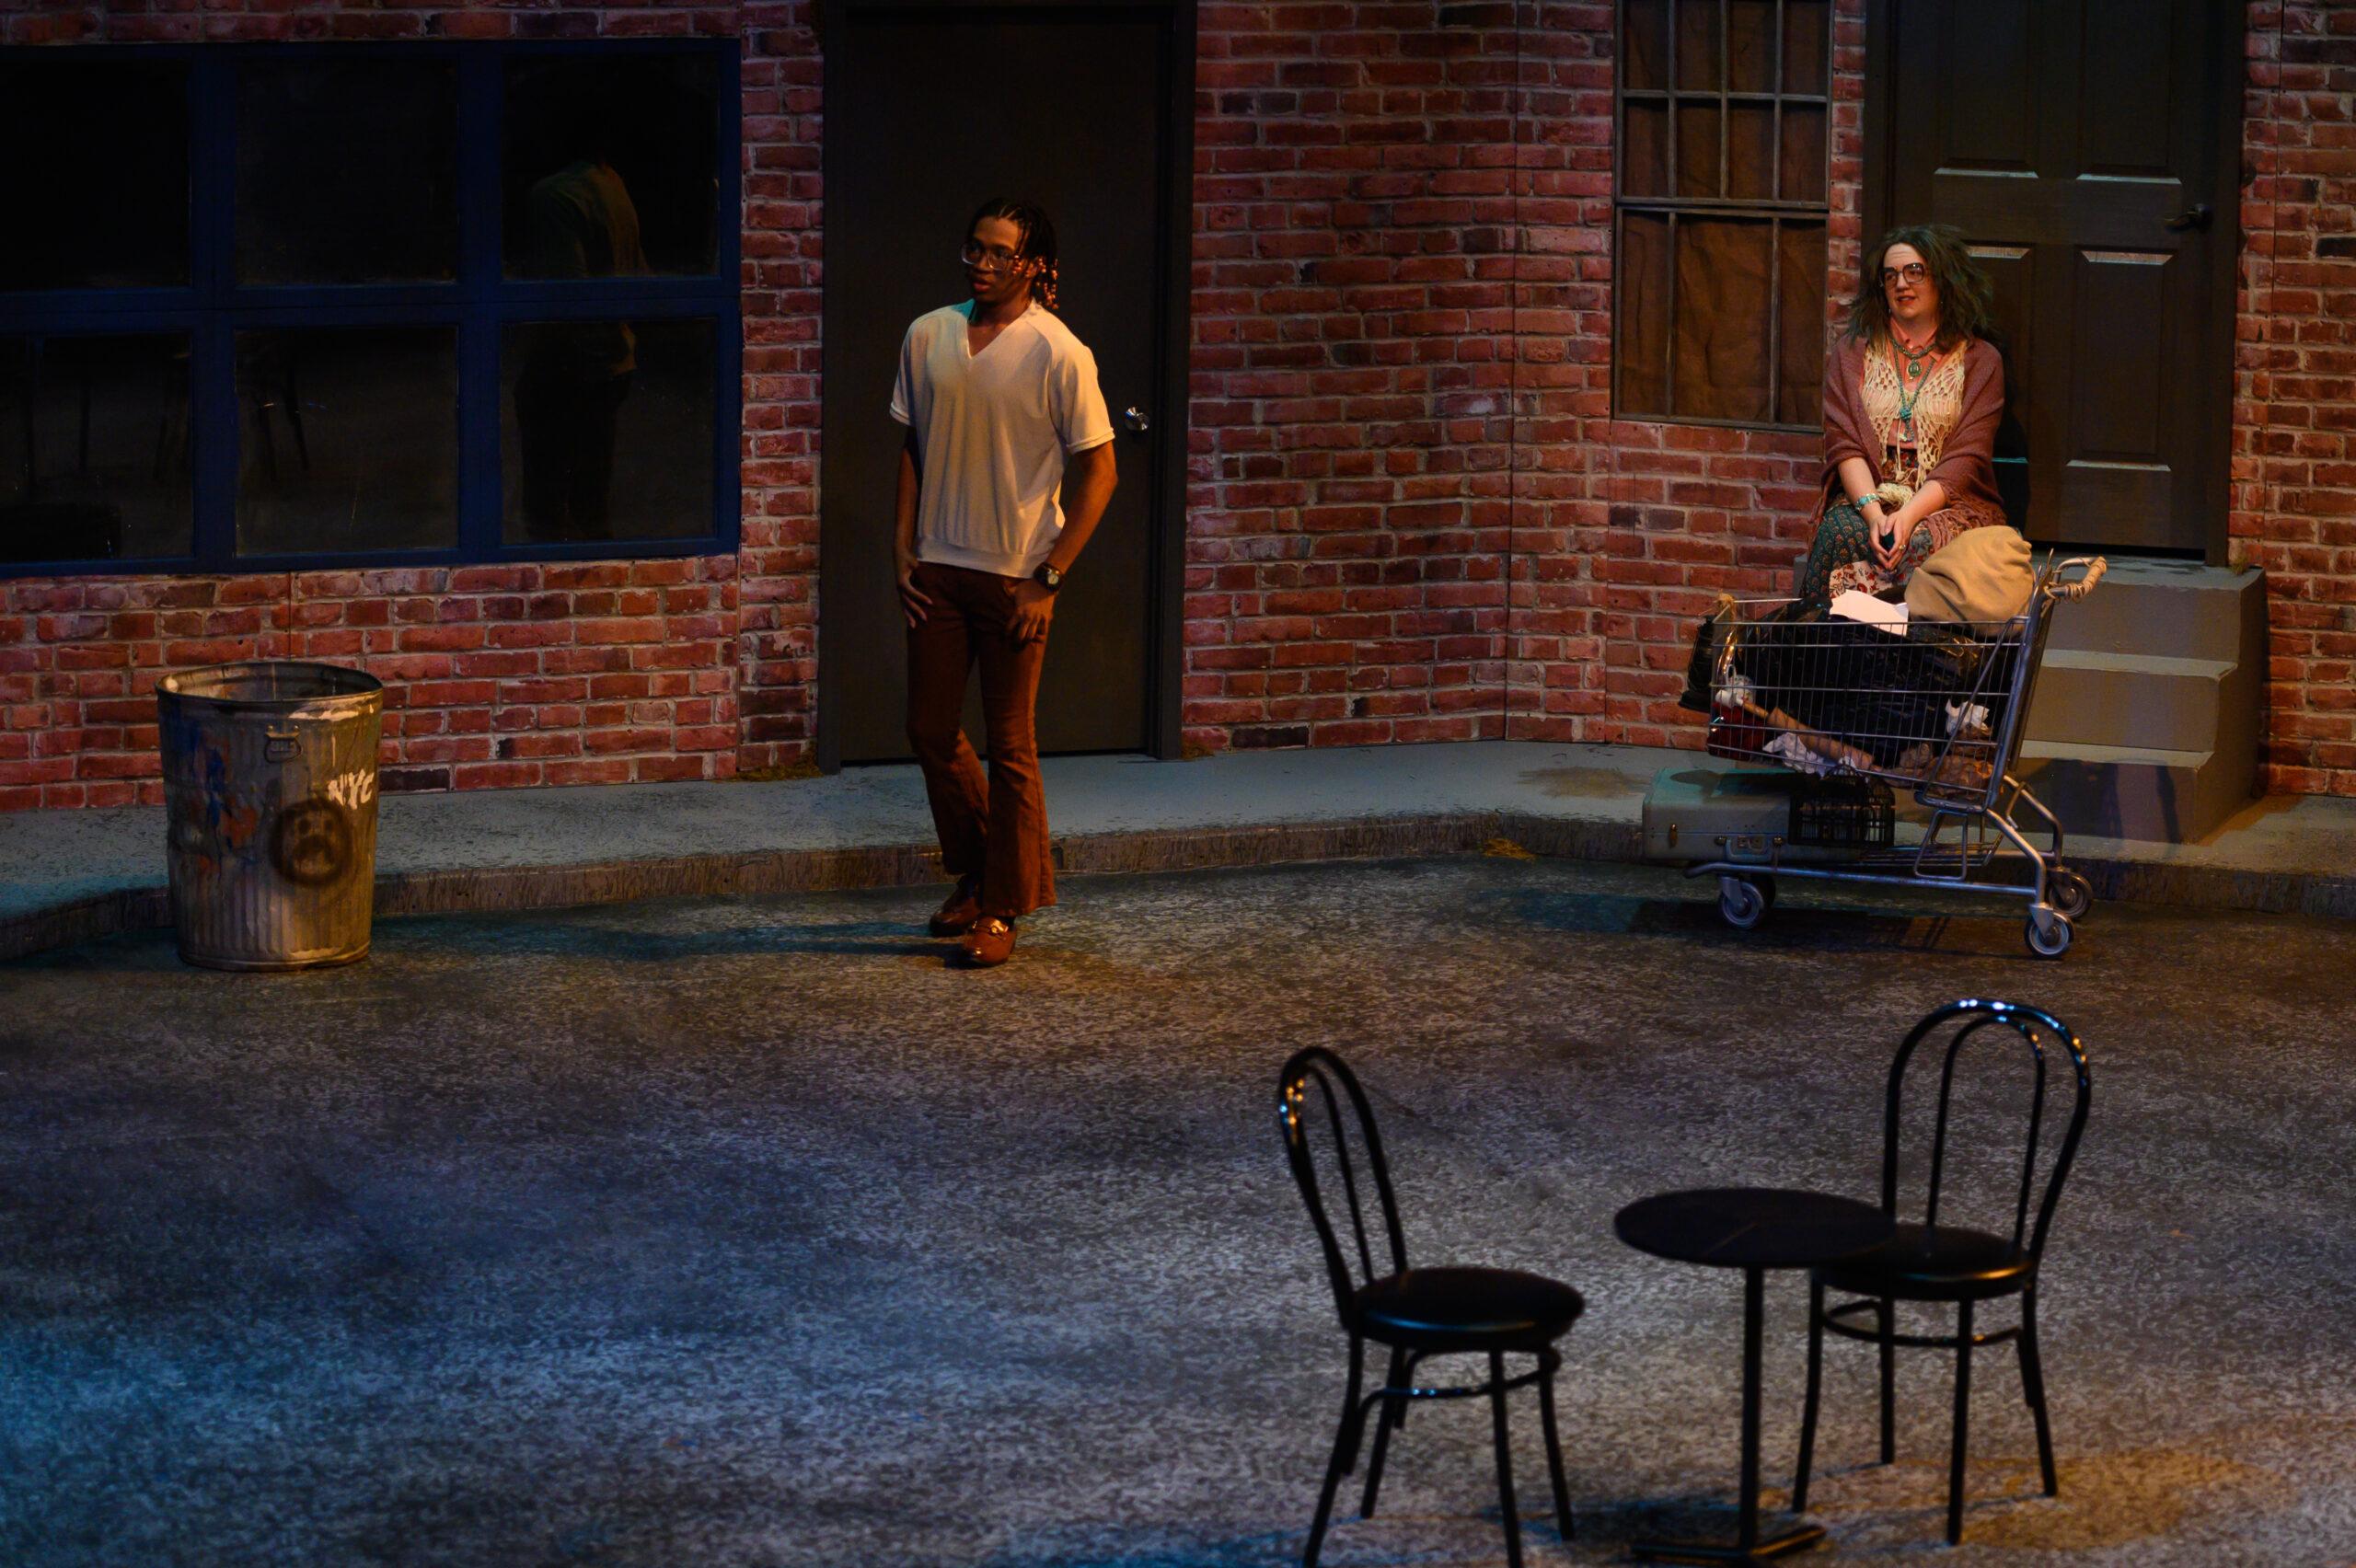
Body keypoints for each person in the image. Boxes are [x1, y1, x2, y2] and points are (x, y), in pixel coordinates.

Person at [892, 199, 1117, 967]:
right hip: (938, 568)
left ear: (1035, 265)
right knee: (928, 728)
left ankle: (1001, 906)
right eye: (975, 249)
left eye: (1001, 254)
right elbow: (915, 446)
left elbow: (1101, 472)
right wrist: (901, 545)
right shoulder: (928, 334)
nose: (982, 264)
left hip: (1017, 575)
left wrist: (1050, 577)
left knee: (1011, 744)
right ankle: (982, 872)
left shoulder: (1059, 351)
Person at [1795, 225, 2010, 604]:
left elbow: (1967, 456)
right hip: (1871, 493)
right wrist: (1874, 515)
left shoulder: (1981, 360)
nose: (1901, 284)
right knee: (1841, 533)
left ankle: (1908, 643)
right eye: (1890, 275)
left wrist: (1908, 517)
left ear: (1942, 279)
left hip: (1946, 500)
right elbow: (1844, 444)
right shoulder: (1852, 353)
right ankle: (1831, 638)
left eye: (1915, 271)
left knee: (1920, 543)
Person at [514, 125, 647, 539]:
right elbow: (638, 271)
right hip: (612, 357)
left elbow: (569, 297)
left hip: (574, 365)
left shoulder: (555, 195)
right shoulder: (612, 184)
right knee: (591, 498)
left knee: (551, 508)